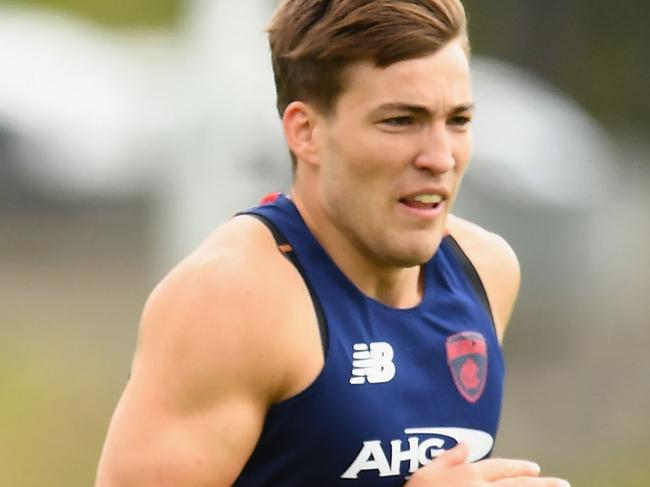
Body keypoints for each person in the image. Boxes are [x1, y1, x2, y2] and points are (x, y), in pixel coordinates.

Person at [96, 1, 570, 486]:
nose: (440, 157)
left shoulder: (486, 271)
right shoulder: (233, 297)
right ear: (307, 132)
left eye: (458, 121)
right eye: (401, 121)